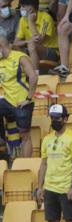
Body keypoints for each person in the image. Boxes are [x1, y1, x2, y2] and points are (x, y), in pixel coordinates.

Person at [35, 105, 72, 222]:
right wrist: (39, 187)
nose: (54, 120)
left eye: (57, 118)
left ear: (66, 119)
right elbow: (43, 164)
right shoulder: (47, 139)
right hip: (50, 188)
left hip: (66, 187)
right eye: (52, 118)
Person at [0, 28, 37, 158]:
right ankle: (2, 142)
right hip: (7, 100)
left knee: (25, 134)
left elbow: (33, 77)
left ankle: (25, 162)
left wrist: (28, 98)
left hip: (22, 101)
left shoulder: (19, 57)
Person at [14, 0, 59, 69]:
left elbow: (39, 40)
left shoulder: (46, 18)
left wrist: (31, 22)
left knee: (32, 44)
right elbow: (16, 42)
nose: (21, 9)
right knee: (12, 46)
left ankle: (35, 74)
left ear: (31, 9)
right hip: (32, 50)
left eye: (23, 6)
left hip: (51, 52)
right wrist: (27, 41)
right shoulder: (22, 20)